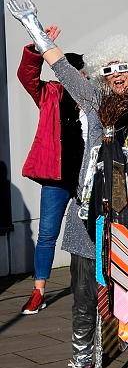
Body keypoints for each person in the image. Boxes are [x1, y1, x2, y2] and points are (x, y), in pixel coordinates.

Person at [7, 0, 128, 368]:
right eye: (110, 69)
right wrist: (34, 27)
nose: (117, 76)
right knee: (83, 299)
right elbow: (62, 69)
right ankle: (81, 364)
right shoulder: (95, 104)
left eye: (124, 68)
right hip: (89, 219)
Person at [17, 26, 86, 315]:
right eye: (78, 71)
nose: (81, 76)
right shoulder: (50, 93)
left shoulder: (91, 96)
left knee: (93, 232)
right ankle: (38, 291)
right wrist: (37, 47)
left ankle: (102, 286)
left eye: (82, 72)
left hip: (86, 176)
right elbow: (27, 76)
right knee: (47, 234)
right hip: (55, 177)